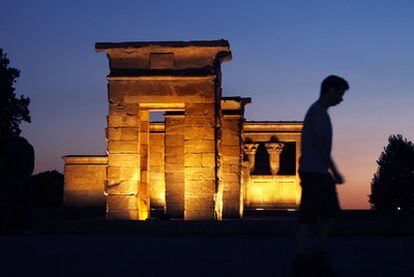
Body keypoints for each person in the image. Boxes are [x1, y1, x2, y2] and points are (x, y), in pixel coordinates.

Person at [291, 75, 349, 276]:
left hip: (313, 171)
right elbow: (321, 146)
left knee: (315, 215)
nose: (341, 99)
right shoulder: (319, 113)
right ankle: (310, 256)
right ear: (331, 90)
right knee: (321, 214)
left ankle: (307, 256)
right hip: (316, 172)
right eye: (340, 94)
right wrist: (335, 172)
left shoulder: (318, 112)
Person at [0, 114, 35, 233]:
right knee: (21, 202)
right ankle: (22, 225)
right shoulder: (26, 147)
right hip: (22, 178)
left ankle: (13, 225)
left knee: (12, 201)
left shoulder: (12, 147)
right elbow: (31, 165)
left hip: (15, 178)